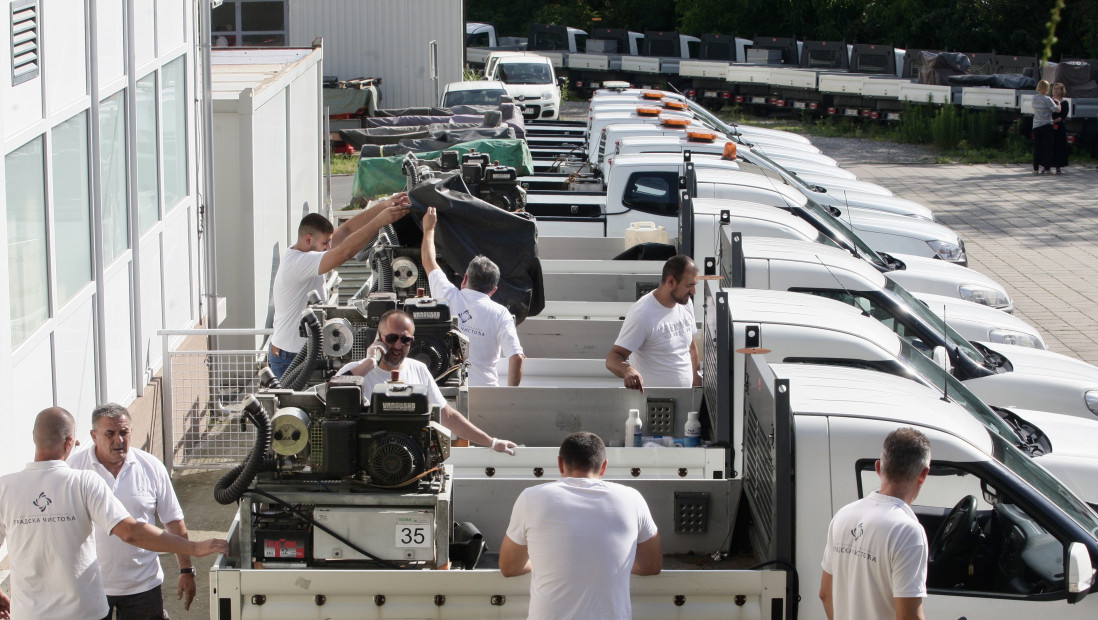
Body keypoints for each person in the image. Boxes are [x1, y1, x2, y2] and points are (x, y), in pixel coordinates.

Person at [0, 408, 228, 620]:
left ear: (34, 438)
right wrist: (194, 548)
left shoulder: (4, 488)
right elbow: (130, 531)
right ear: (71, 441)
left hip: (26, 613)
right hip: (83, 612)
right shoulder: (83, 481)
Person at [499, 432, 662, 619]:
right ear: (604, 467)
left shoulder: (531, 497)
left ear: (560, 464)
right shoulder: (633, 498)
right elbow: (652, 565)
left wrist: (545, 561)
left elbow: (509, 567)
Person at [68, 403, 196, 618]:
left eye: (124, 432)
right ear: (93, 435)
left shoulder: (151, 467)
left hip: (143, 586)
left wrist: (186, 570)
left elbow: (173, 522)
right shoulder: (74, 470)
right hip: (91, 586)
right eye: (110, 433)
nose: (118, 440)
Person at [268, 194, 411, 379]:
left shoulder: (308, 249)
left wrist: (384, 206)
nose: (329, 247)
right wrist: (379, 222)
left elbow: (347, 230)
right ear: (308, 239)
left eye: (329, 242)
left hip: (300, 352)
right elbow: (344, 252)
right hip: (290, 357)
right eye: (325, 243)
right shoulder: (300, 262)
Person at [337, 309, 518, 454]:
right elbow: (333, 397)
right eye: (392, 338)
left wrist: (492, 442)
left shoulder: (419, 369)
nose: (398, 346)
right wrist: (369, 363)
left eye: (405, 340)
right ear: (379, 337)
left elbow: (448, 416)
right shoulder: (354, 372)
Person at [819, 427, 932, 620]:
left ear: (879, 468)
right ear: (923, 474)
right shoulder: (908, 532)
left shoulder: (843, 515)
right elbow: (909, 617)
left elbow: (825, 593)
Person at [421, 206, 525, 386]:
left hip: (449, 391)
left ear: (465, 278)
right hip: (488, 396)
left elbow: (428, 261)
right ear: (493, 290)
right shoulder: (501, 314)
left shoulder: (447, 295)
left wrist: (429, 229)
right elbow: (517, 358)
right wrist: (509, 401)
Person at [605, 254, 701, 392]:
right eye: (689, 285)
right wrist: (628, 370)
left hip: (687, 399)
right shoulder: (642, 314)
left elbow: (691, 346)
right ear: (671, 282)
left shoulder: (685, 303)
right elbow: (613, 358)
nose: (693, 291)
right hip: (654, 404)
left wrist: (696, 380)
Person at [1031, 80, 1060, 175]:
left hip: (1036, 125)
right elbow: (1057, 110)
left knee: (1037, 148)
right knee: (1047, 148)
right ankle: (1047, 168)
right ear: (1047, 88)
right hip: (1047, 125)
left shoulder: (1034, 98)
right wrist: (1058, 103)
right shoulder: (1048, 99)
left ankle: (1035, 169)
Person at [1051, 82, 1069, 175]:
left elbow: (1062, 116)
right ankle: (1047, 165)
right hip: (1049, 126)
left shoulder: (1064, 103)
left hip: (1059, 127)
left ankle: (1058, 166)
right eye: (1055, 88)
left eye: (1058, 89)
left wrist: (1053, 121)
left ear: (1062, 91)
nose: (1056, 90)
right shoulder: (1050, 100)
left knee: (1059, 146)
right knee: (1049, 146)